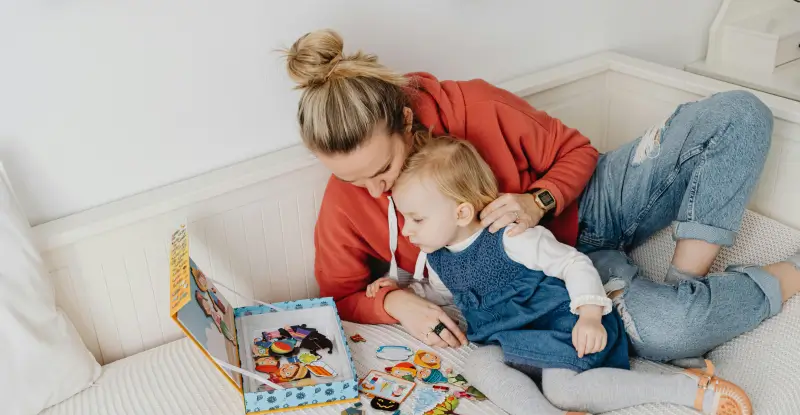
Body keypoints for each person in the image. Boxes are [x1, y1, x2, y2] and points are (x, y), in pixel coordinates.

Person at [283, 29, 776, 348]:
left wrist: (537, 200)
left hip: (594, 205)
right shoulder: (347, 200)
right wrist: (396, 303)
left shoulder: (474, 104)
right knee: (674, 332)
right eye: (352, 179)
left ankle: (683, 285)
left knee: (740, 114)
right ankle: (781, 279)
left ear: (407, 121)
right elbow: (339, 294)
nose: (373, 190)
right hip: (550, 288)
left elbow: (577, 153)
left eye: (383, 168)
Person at [384, 134, 800, 415]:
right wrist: (398, 295)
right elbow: (446, 295)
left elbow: (573, 263)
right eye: (404, 219)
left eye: (416, 219)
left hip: (559, 324)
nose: (406, 230)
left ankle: (686, 390)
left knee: (562, 386)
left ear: (460, 212)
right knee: (478, 364)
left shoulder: (511, 236)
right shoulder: (435, 257)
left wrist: (588, 313)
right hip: (510, 338)